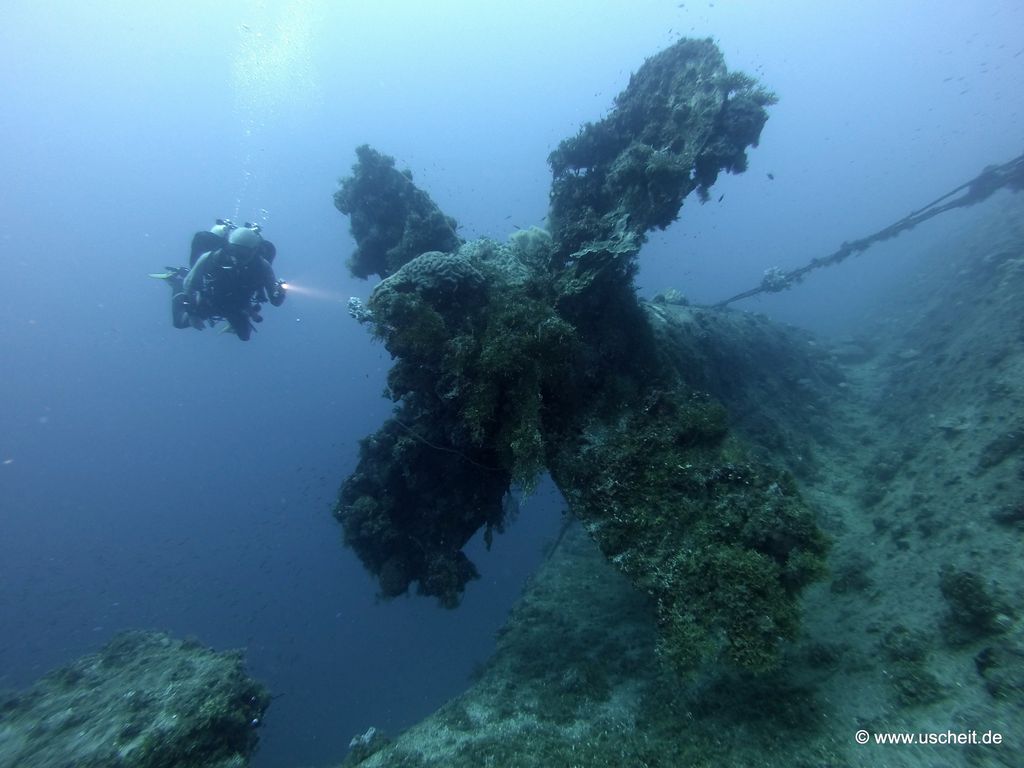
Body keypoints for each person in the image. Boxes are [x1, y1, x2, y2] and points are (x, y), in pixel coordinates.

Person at [152, 220, 286, 341]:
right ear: (228, 247)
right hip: (211, 300)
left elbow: (275, 301)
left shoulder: (263, 266)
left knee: (245, 336)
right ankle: (176, 281)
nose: (236, 257)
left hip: (238, 306)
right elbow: (189, 284)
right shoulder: (212, 257)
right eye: (233, 250)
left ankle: (233, 323)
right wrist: (192, 313)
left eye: (242, 253)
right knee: (179, 323)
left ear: (254, 251)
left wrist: (280, 292)